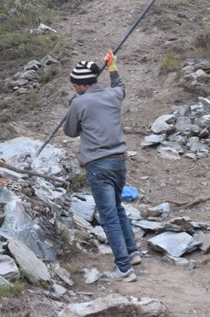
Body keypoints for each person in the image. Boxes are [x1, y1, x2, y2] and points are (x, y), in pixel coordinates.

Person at [63, 50, 140, 282]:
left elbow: (70, 131)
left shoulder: (79, 102)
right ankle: (133, 252)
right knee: (117, 208)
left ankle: (124, 268)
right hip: (119, 163)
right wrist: (113, 66)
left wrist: (73, 106)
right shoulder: (113, 95)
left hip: (98, 165)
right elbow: (121, 86)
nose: (74, 88)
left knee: (108, 216)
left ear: (80, 85)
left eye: (74, 85)